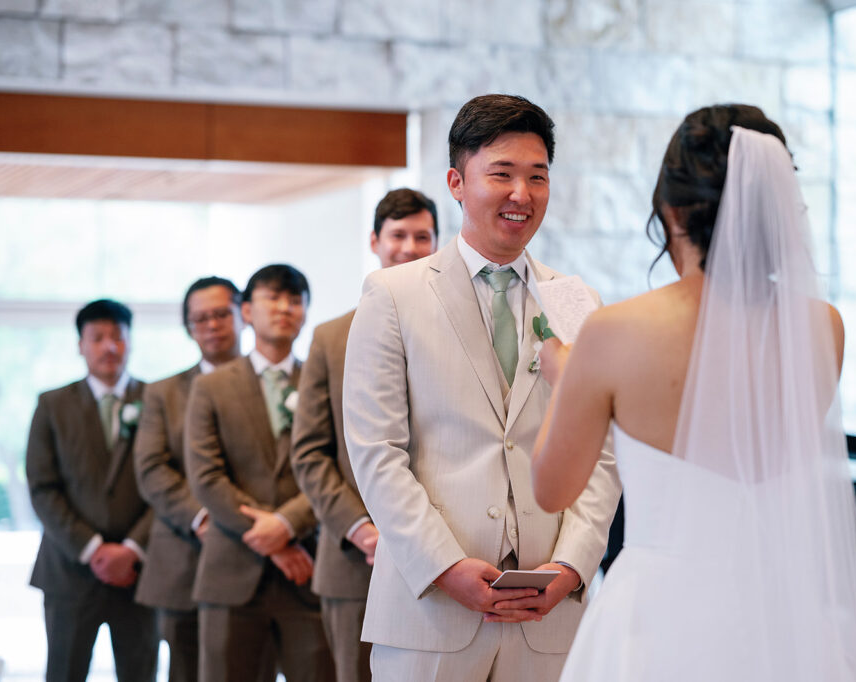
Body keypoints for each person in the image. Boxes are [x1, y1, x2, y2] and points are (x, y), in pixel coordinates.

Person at [531, 104, 856, 680]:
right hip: (781, 615)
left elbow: (552, 489)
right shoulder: (823, 327)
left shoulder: (614, 332)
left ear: (671, 211)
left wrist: (567, 378)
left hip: (658, 617)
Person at [343, 94, 620, 682]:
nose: (522, 194)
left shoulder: (575, 300)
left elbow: (602, 452)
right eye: (502, 174)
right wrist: (444, 566)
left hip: (547, 617)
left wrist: (571, 567)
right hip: (431, 614)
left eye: (537, 177)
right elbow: (376, 452)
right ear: (457, 182)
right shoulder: (393, 294)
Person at [291, 188, 439, 682]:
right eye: (398, 235)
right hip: (357, 559)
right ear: (375, 241)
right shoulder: (332, 337)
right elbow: (310, 453)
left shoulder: (454, 327)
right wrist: (362, 529)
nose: (410, 247)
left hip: (445, 554)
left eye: (423, 236)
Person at [185, 265, 333, 682]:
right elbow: (206, 476)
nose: (284, 308)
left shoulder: (325, 381)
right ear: (247, 311)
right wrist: (271, 538)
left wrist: (288, 523)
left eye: (295, 300)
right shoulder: (211, 387)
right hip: (232, 569)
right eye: (273, 297)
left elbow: (339, 465)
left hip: (310, 570)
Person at [26, 298, 158, 682]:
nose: (109, 346)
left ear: (131, 342)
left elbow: (169, 483)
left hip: (140, 571)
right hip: (69, 571)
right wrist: (94, 549)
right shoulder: (52, 405)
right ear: (80, 345)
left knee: (141, 673)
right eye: (97, 337)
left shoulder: (158, 401)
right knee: (65, 672)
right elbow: (42, 487)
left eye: (118, 336)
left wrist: (131, 548)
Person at [133, 276, 251, 682]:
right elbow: (152, 469)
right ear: (188, 328)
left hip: (260, 556)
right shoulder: (162, 393)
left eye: (221, 314)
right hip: (186, 556)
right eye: (200, 319)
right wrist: (204, 518)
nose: (212, 325)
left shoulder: (270, 381)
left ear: (243, 314)